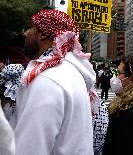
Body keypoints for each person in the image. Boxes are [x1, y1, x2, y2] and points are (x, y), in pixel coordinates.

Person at [12, 10, 95, 155]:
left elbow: (30, 148)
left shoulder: (48, 79)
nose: (26, 33)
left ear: (43, 34)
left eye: (31, 28)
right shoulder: (69, 73)